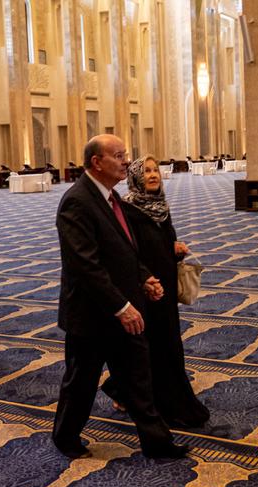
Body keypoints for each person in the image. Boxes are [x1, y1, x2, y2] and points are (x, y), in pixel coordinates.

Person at [52, 134, 188, 460]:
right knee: (81, 381)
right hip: (92, 314)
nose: (126, 161)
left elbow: (125, 251)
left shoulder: (113, 199)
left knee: (138, 377)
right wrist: (121, 306)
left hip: (124, 307)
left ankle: (157, 442)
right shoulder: (77, 201)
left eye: (125, 154)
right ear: (97, 162)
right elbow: (86, 265)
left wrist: (144, 278)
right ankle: (65, 437)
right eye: (118, 155)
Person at [103, 156, 209, 428]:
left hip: (166, 283)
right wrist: (144, 279)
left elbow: (165, 239)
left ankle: (127, 391)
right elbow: (126, 252)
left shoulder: (161, 206)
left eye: (155, 171)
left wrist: (176, 248)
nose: (152, 175)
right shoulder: (127, 210)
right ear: (136, 177)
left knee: (166, 342)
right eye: (146, 171)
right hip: (144, 287)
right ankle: (138, 395)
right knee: (149, 344)